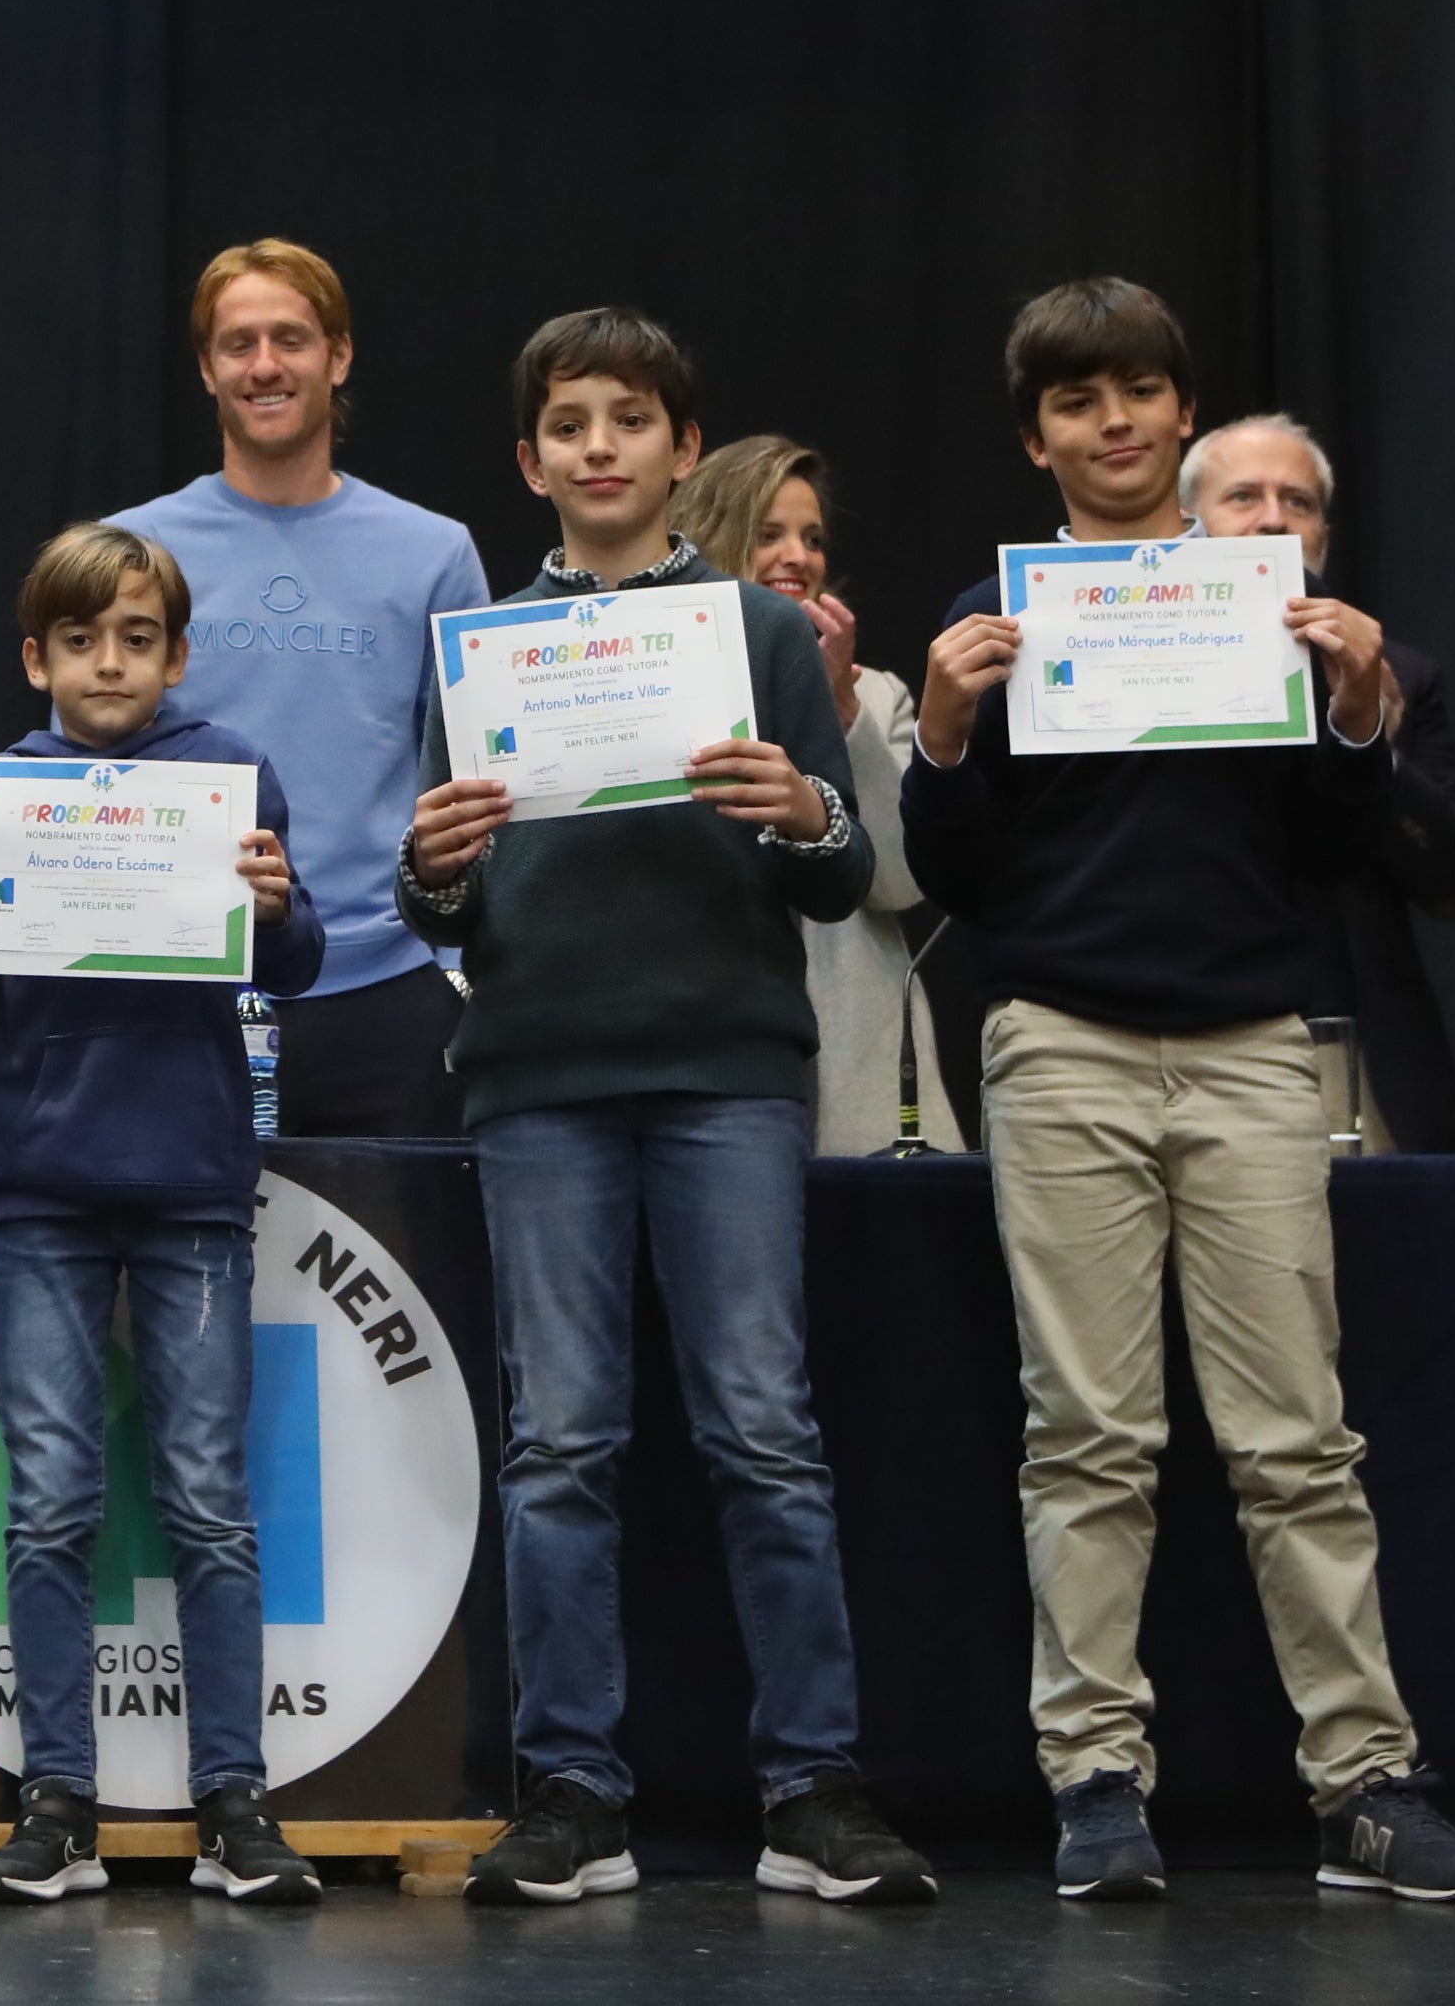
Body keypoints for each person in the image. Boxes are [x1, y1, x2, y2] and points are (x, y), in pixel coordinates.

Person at [904, 278, 1455, 1904]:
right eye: (1076, 402)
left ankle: (1364, 1778)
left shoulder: (1258, 604)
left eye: (1140, 394)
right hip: (1058, 1043)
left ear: (1179, 414)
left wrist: (1359, 706)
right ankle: (1093, 1778)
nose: (1113, 422)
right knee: (1085, 1437)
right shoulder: (998, 612)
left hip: (1250, 1044)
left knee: (1293, 1438)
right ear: (1034, 437)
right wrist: (942, 739)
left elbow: (1333, 848)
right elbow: (949, 876)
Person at [394, 312, 935, 1911]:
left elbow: (840, 874)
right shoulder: (481, 644)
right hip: (541, 1076)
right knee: (561, 1445)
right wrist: (430, 864)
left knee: (763, 1432)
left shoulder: (757, 638)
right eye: (570, 426)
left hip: (725, 1074)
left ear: (684, 450)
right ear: (530, 461)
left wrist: (804, 807)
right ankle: (573, 1793)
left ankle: (812, 1789)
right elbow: (436, 903)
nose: (602, 448)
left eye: (632, 421)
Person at [0, 525, 332, 1909]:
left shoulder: (226, 776)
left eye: (136, 639)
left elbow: (297, 958)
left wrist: (274, 910)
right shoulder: (2, 790)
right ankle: (57, 1803)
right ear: (36, 660)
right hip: (43, 1191)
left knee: (210, 1505)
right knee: (51, 1510)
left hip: (198, 1187)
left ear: (177, 656)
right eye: (81, 640)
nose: (109, 662)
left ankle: (234, 1803)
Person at [112, 240, 492, 1135]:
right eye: (238, 344)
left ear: (340, 355)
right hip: (183, 990)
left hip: (389, 992)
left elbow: (474, 785)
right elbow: (84, 770)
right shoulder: (131, 551)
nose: (266, 365)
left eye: (292, 338)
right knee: (190, 1276)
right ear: (206, 369)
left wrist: (449, 964)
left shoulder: (435, 553)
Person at [1185, 414, 1455, 1153]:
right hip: (1181, 1034)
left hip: (1349, 1047)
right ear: (1186, 527)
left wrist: (1376, 751)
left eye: (1297, 502)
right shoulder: (1129, 671)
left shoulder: (1395, 673)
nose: (1273, 518)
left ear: (1322, 538)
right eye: (1244, 497)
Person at [675, 437, 961, 1154]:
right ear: (711, 539)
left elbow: (900, 881)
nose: (798, 557)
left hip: (854, 1071)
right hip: (707, 1060)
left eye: (812, 538)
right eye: (768, 535)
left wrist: (844, 712)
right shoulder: (658, 701)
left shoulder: (883, 697)